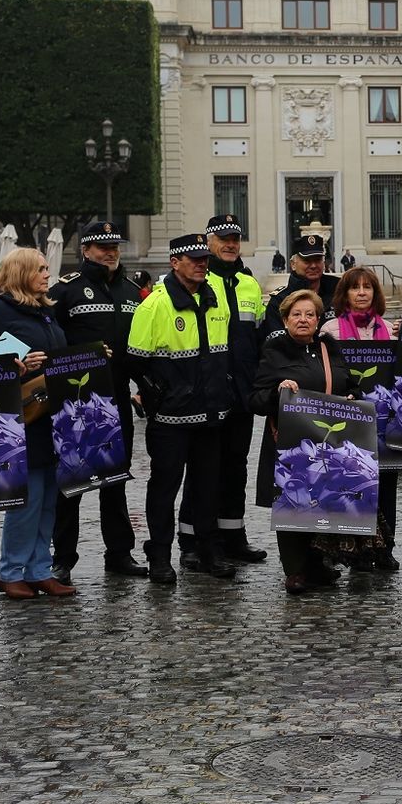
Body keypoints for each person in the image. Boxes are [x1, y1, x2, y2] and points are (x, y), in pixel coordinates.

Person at [127, 233, 236, 583]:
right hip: (171, 419)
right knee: (164, 488)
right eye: (194, 259)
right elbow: (136, 363)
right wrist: (159, 395)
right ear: (175, 263)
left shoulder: (215, 298)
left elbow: (223, 353)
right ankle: (159, 554)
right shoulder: (154, 306)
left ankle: (208, 550)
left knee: (207, 488)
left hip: (210, 413)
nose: (203, 264)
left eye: (204, 258)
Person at [0, 248, 75, 600]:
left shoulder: (44, 310)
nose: (48, 275)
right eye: (40, 269)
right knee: (26, 500)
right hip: (19, 420)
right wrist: (17, 367)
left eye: (47, 268)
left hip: (51, 418)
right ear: (20, 272)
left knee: (48, 498)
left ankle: (38, 569)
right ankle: (10, 571)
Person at [47, 221, 147, 582]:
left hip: (118, 396)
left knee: (115, 480)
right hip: (76, 401)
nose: (110, 252)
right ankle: (63, 558)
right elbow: (50, 340)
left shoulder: (132, 291)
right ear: (85, 250)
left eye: (114, 246)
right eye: (102, 247)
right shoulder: (66, 290)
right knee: (70, 484)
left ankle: (119, 553)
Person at [249, 289, 356, 593]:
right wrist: (277, 391)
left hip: (326, 440)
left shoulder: (328, 348)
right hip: (290, 444)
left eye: (310, 314)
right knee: (292, 502)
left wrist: (351, 397)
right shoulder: (275, 351)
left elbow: (350, 382)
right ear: (285, 319)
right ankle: (294, 570)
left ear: (319, 319)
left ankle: (316, 565)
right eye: (296, 314)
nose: (303, 319)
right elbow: (255, 399)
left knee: (321, 501)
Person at [187, 215, 268, 569]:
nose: (231, 243)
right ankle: (192, 541)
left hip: (241, 393)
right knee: (203, 469)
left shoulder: (250, 284)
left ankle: (233, 536)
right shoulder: (198, 280)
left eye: (235, 237)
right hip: (208, 392)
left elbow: (258, 336)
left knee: (235, 467)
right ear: (209, 241)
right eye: (223, 238)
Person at [320, 268, 400, 571]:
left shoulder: (390, 331)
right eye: (356, 288)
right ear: (346, 294)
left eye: (368, 287)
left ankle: (385, 548)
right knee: (352, 484)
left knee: (386, 487)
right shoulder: (331, 330)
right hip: (348, 418)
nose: (362, 293)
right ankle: (356, 550)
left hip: (383, 420)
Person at [260, 235, 339, 340]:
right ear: (293, 264)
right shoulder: (279, 301)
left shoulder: (339, 291)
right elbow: (276, 346)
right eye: (307, 261)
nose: (313, 265)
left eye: (318, 260)